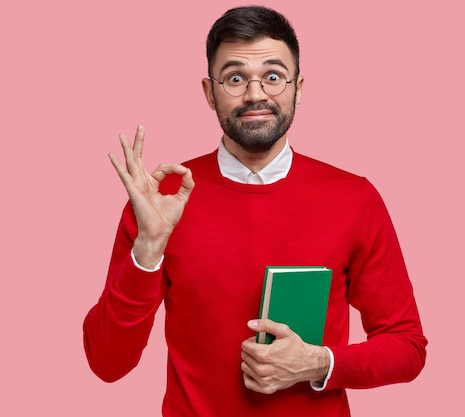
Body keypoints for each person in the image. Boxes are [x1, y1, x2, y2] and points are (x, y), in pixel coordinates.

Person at [83, 5, 427, 417]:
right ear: (210, 93)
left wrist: (319, 363)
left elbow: (407, 347)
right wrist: (149, 247)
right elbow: (107, 363)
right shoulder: (162, 200)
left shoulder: (355, 198)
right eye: (234, 78)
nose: (255, 93)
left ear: (298, 87)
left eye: (273, 76)